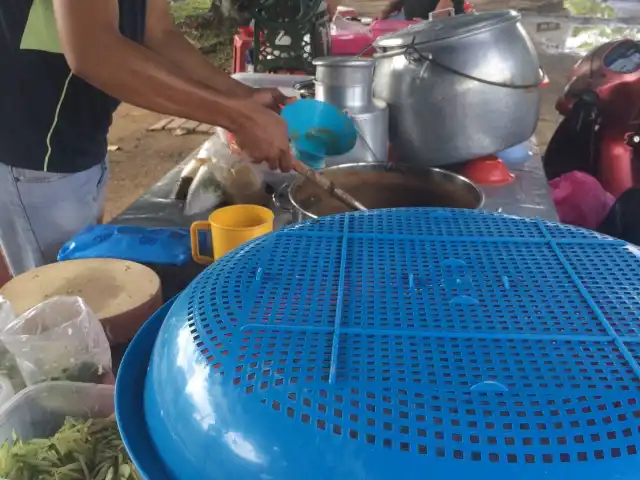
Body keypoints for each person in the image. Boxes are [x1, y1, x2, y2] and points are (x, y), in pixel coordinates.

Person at [0, 0, 294, 277]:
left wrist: (242, 98)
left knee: (86, 269)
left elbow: (158, 33)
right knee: (60, 295)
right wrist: (238, 118)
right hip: (34, 147)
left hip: (81, 133)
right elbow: (92, 51)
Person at [378, 0, 466, 20]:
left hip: (446, 24)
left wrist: (425, 26)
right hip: (411, 24)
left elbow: (442, 11)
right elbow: (397, 2)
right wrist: (385, 13)